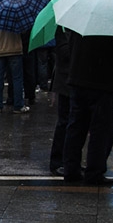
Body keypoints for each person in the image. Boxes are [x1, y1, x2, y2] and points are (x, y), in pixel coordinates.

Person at [62, 31, 113, 186]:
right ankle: (94, 172)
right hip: (103, 83)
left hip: (78, 80)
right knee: (101, 131)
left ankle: (70, 169)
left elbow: (70, 49)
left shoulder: (79, 25)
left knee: (76, 127)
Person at [0, 25, 28, 113]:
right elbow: (23, 31)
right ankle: (18, 105)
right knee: (17, 79)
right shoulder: (16, 18)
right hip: (15, 49)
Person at [48, 28, 71, 176]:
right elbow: (64, 53)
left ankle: (70, 160)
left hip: (75, 81)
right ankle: (57, 162)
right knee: (64, 122)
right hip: (65, 82)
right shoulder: (63, 28)